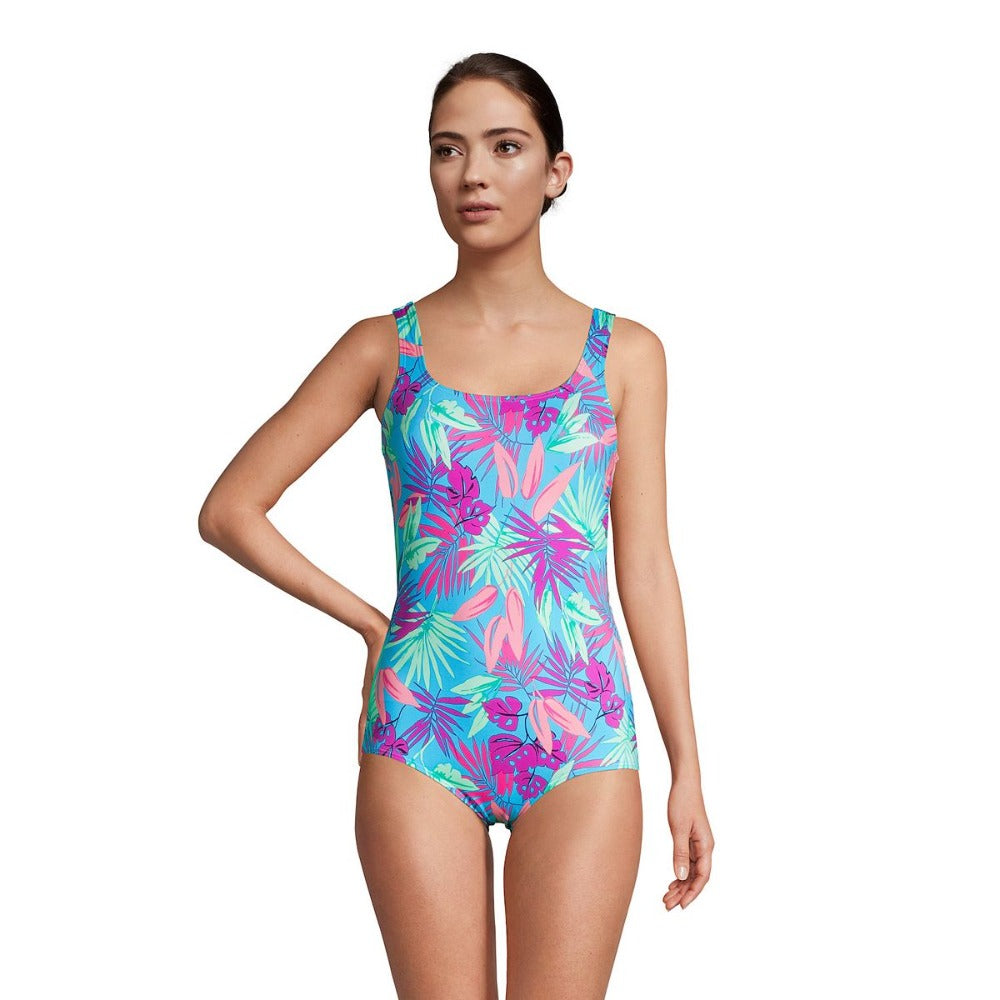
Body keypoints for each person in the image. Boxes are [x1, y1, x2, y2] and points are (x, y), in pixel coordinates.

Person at [199, 51, 713, 1000]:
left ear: (557, 171)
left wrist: (688, 763)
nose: (473, 173)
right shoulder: (381, 347)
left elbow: (644, 564)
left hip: (582, 736)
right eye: (448, 149)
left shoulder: (628, 356)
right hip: (420, 731)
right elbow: (231, 510)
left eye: (505, 146)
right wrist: (370, 625)